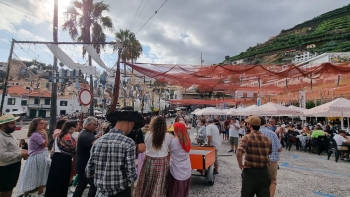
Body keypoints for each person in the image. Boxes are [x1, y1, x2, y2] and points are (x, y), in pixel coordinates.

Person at [86, 108, 144, 197]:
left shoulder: (98, 141)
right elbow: (132, 176)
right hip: (120, 193)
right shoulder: (128, 143)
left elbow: (88, 171)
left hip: (100, 193)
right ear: (130, 124)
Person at [134, 116, 173, 197]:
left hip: (149, 160)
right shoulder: (169, 136)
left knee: (147, 181)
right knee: (158, 182)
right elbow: (170, 150)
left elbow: (146, 146)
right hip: (162, 161)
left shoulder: (148, 135)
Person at [236, 116, 272, 197]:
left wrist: (241, 165)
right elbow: (269, 152)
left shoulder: (246, 137)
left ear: (250, 125)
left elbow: (239, 152)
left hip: (250, 172)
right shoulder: (267, 139)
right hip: (264, 172)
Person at [17, 118, 50, 197]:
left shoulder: (37, 133)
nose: (43, 125)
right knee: (34, 175)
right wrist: (45, 135)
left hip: (39, 156)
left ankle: (38, 192)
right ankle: (29, 193)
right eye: (41, 123)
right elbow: (45, 144)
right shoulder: (36, 135)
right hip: (37, 156)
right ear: (36, 125)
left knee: (40, 174)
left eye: (43, 123)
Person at [45, 121, 77, 197]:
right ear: (72, 128)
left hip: (57, 158)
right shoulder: (67, 136)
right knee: (62, 180)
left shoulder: (61, 135)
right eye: (74, 128)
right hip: (64, 160)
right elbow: (71, 149)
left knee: (54, 179)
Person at [0, 114, 28, 197]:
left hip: (12, 167)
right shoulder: (1, 137)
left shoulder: (7, 134)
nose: (14, 126)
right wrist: (20, 154)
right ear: (3, 125)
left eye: (14, 123)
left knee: (9, 190)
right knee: (4, 192)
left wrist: (21, 152)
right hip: (5, 169)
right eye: (12, 124)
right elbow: (2, 155)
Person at [73, 117, 98, 197]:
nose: (96, 127)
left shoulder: (84, 133)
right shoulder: (87, 135)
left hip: (81, 163)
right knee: (94, 185)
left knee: (81, 185)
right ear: (89, 125)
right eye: (95, 125)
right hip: (85, 164)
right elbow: (97, 145)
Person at [259, 117, 282, 197]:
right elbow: (280, 149)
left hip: (258, 162)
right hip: (272, 161)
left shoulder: (252, 134)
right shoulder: (272, 133)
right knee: (272, 181)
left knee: (259, 181)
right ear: (265, 123)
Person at [167, 123, 192, 197]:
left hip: (176, 168)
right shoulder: (187, 140)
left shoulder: (173, 142)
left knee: (174, 190)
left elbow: (168, 151)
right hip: (186, 166)